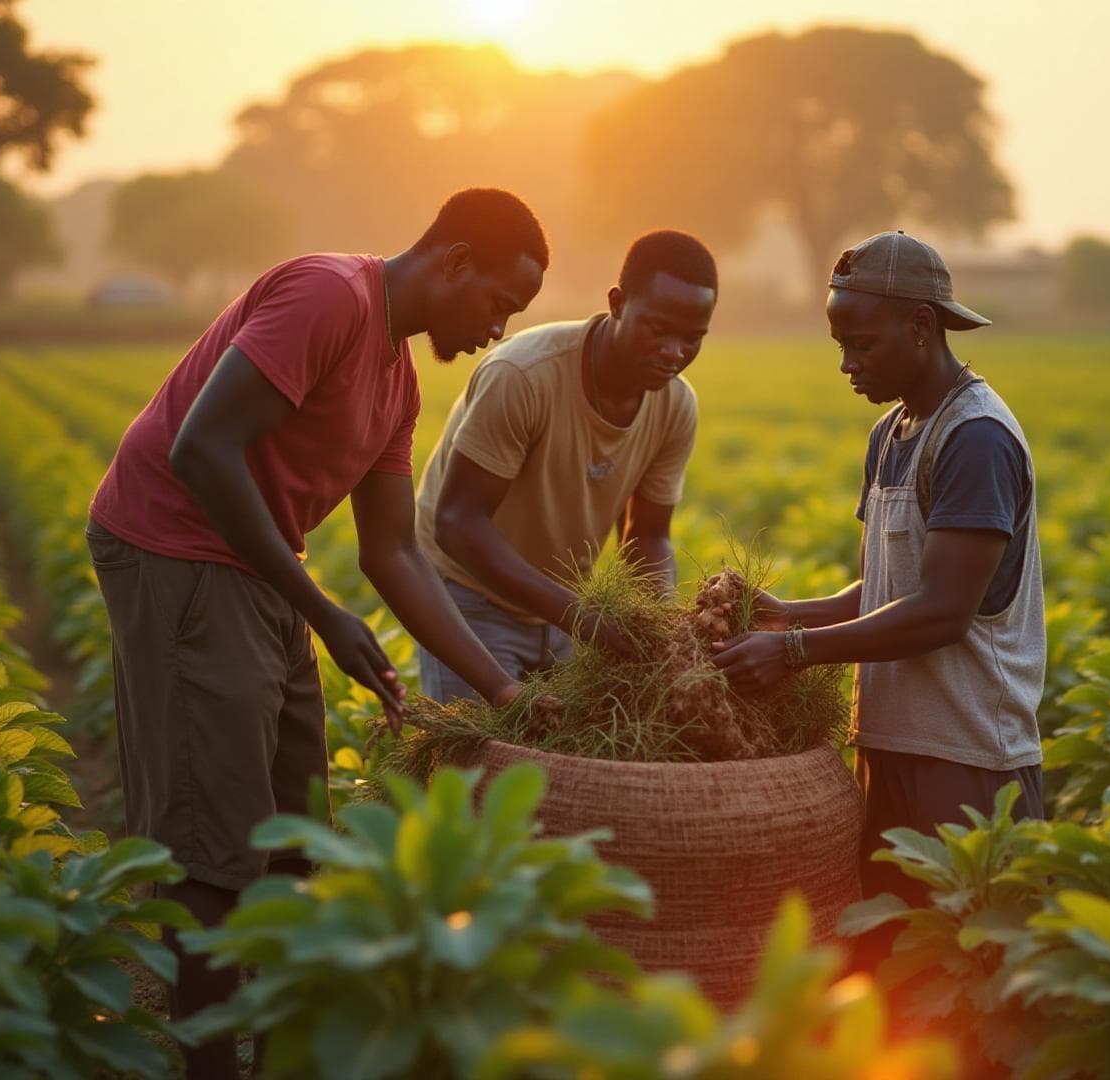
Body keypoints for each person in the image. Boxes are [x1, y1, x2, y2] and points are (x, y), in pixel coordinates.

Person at [84, 187, 548, 1078]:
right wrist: (320, 609)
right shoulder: (329, 296)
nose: (496, 330)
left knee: (294, 838)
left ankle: (283, 1053)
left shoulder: (398, 381)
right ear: (454, 261)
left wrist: (503, 691)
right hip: (175, 551)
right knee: (212, 853)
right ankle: (213, 1064)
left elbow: (392, 553)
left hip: (257, 570)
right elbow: (201, 449)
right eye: (498, 303)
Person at [710, 229, 1047, 922]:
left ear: (921, 328)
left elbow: (941, 612)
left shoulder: (974, 438)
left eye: (862, 345)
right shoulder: (893, 433)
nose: (847, 365)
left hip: (967, 763)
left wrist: (795, 652)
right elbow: (886, 591)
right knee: (893, 972)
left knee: (968, 979)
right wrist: (782, 613)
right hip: (891, 751)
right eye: (841, 346)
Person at [414, 230, 718, 698]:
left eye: (692, 339)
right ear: (617, 304)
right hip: (466, 596)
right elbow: (457, 523)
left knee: (563, 765)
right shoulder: (522, 375)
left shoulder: (676, 406)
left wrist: (660, 631)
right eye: (658, 330)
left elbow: (648, 534)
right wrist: (582, 618)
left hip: (562, 607)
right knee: (481, 763)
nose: (674, 353)